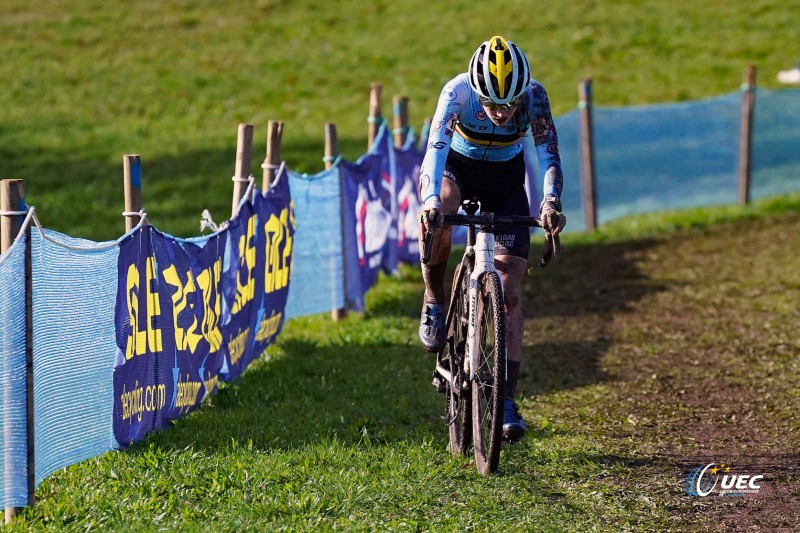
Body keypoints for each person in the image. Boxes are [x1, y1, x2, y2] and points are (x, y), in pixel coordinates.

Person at [417, 35, 565, 442]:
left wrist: (550, 201)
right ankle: (433, 297)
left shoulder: (535, 97)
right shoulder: (457, 93)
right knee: (441, 211)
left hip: (505, 180)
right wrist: (431, 202)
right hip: (457, 170)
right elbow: (435, 149)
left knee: (510, 287)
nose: (502, 113)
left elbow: (548, 154)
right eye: (493, 105)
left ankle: (505, 400)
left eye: (510, 104)